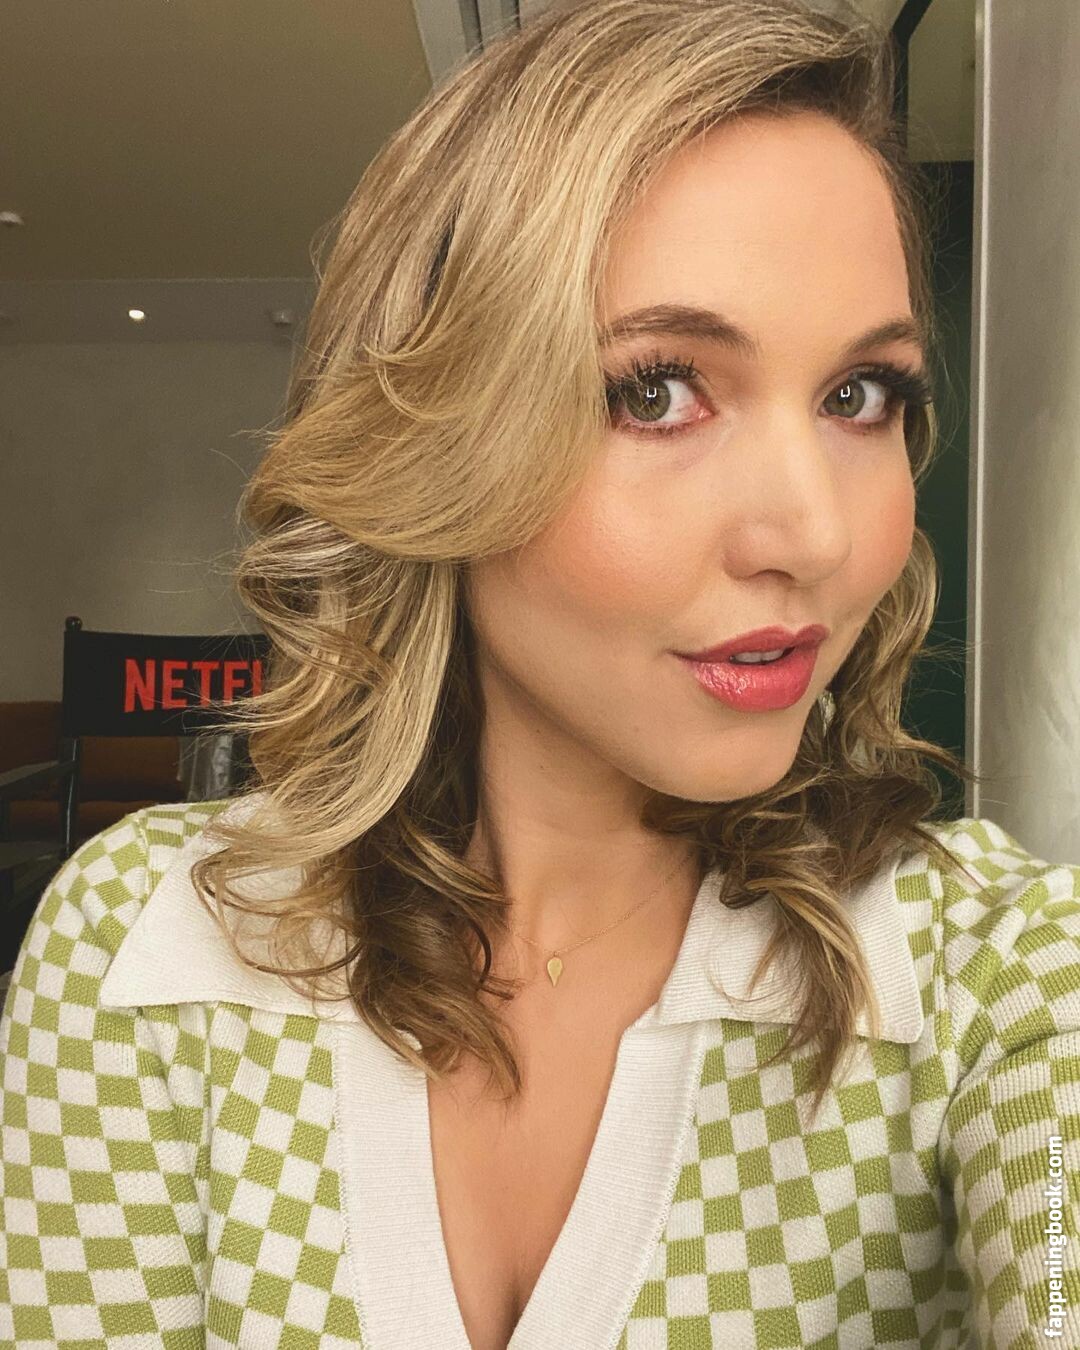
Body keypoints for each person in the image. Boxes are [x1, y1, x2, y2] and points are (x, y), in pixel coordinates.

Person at [2, 1, 1079, 1346]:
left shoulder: (988, 971)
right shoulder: (151, 947)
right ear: (434, 438)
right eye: (656, 391)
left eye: (859, 395)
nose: (813, 535)